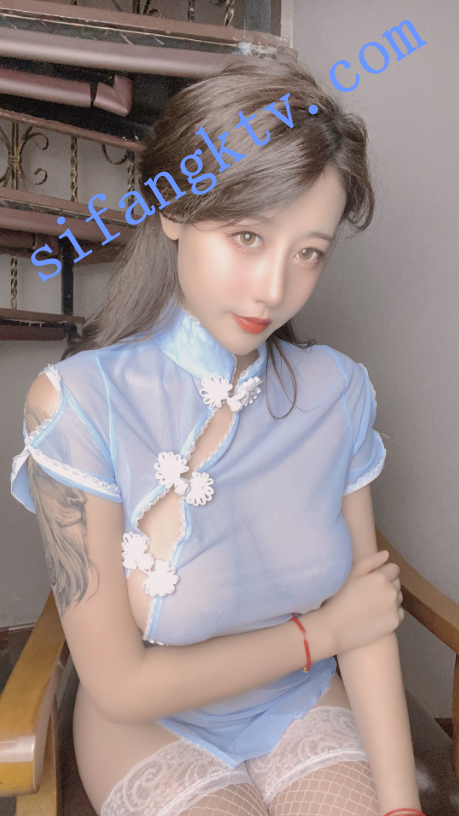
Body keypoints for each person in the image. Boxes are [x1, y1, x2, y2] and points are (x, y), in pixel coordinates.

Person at [10, 55, 424, 816]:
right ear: (172, 211)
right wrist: (320, 632)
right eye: (246, 236)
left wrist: (402, 806)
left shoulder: (336, 390)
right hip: (148, 728)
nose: (274, 288)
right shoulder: (78, 404)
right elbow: (119, 684)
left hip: (300, 705)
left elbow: (367, 621)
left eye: (308, 252)